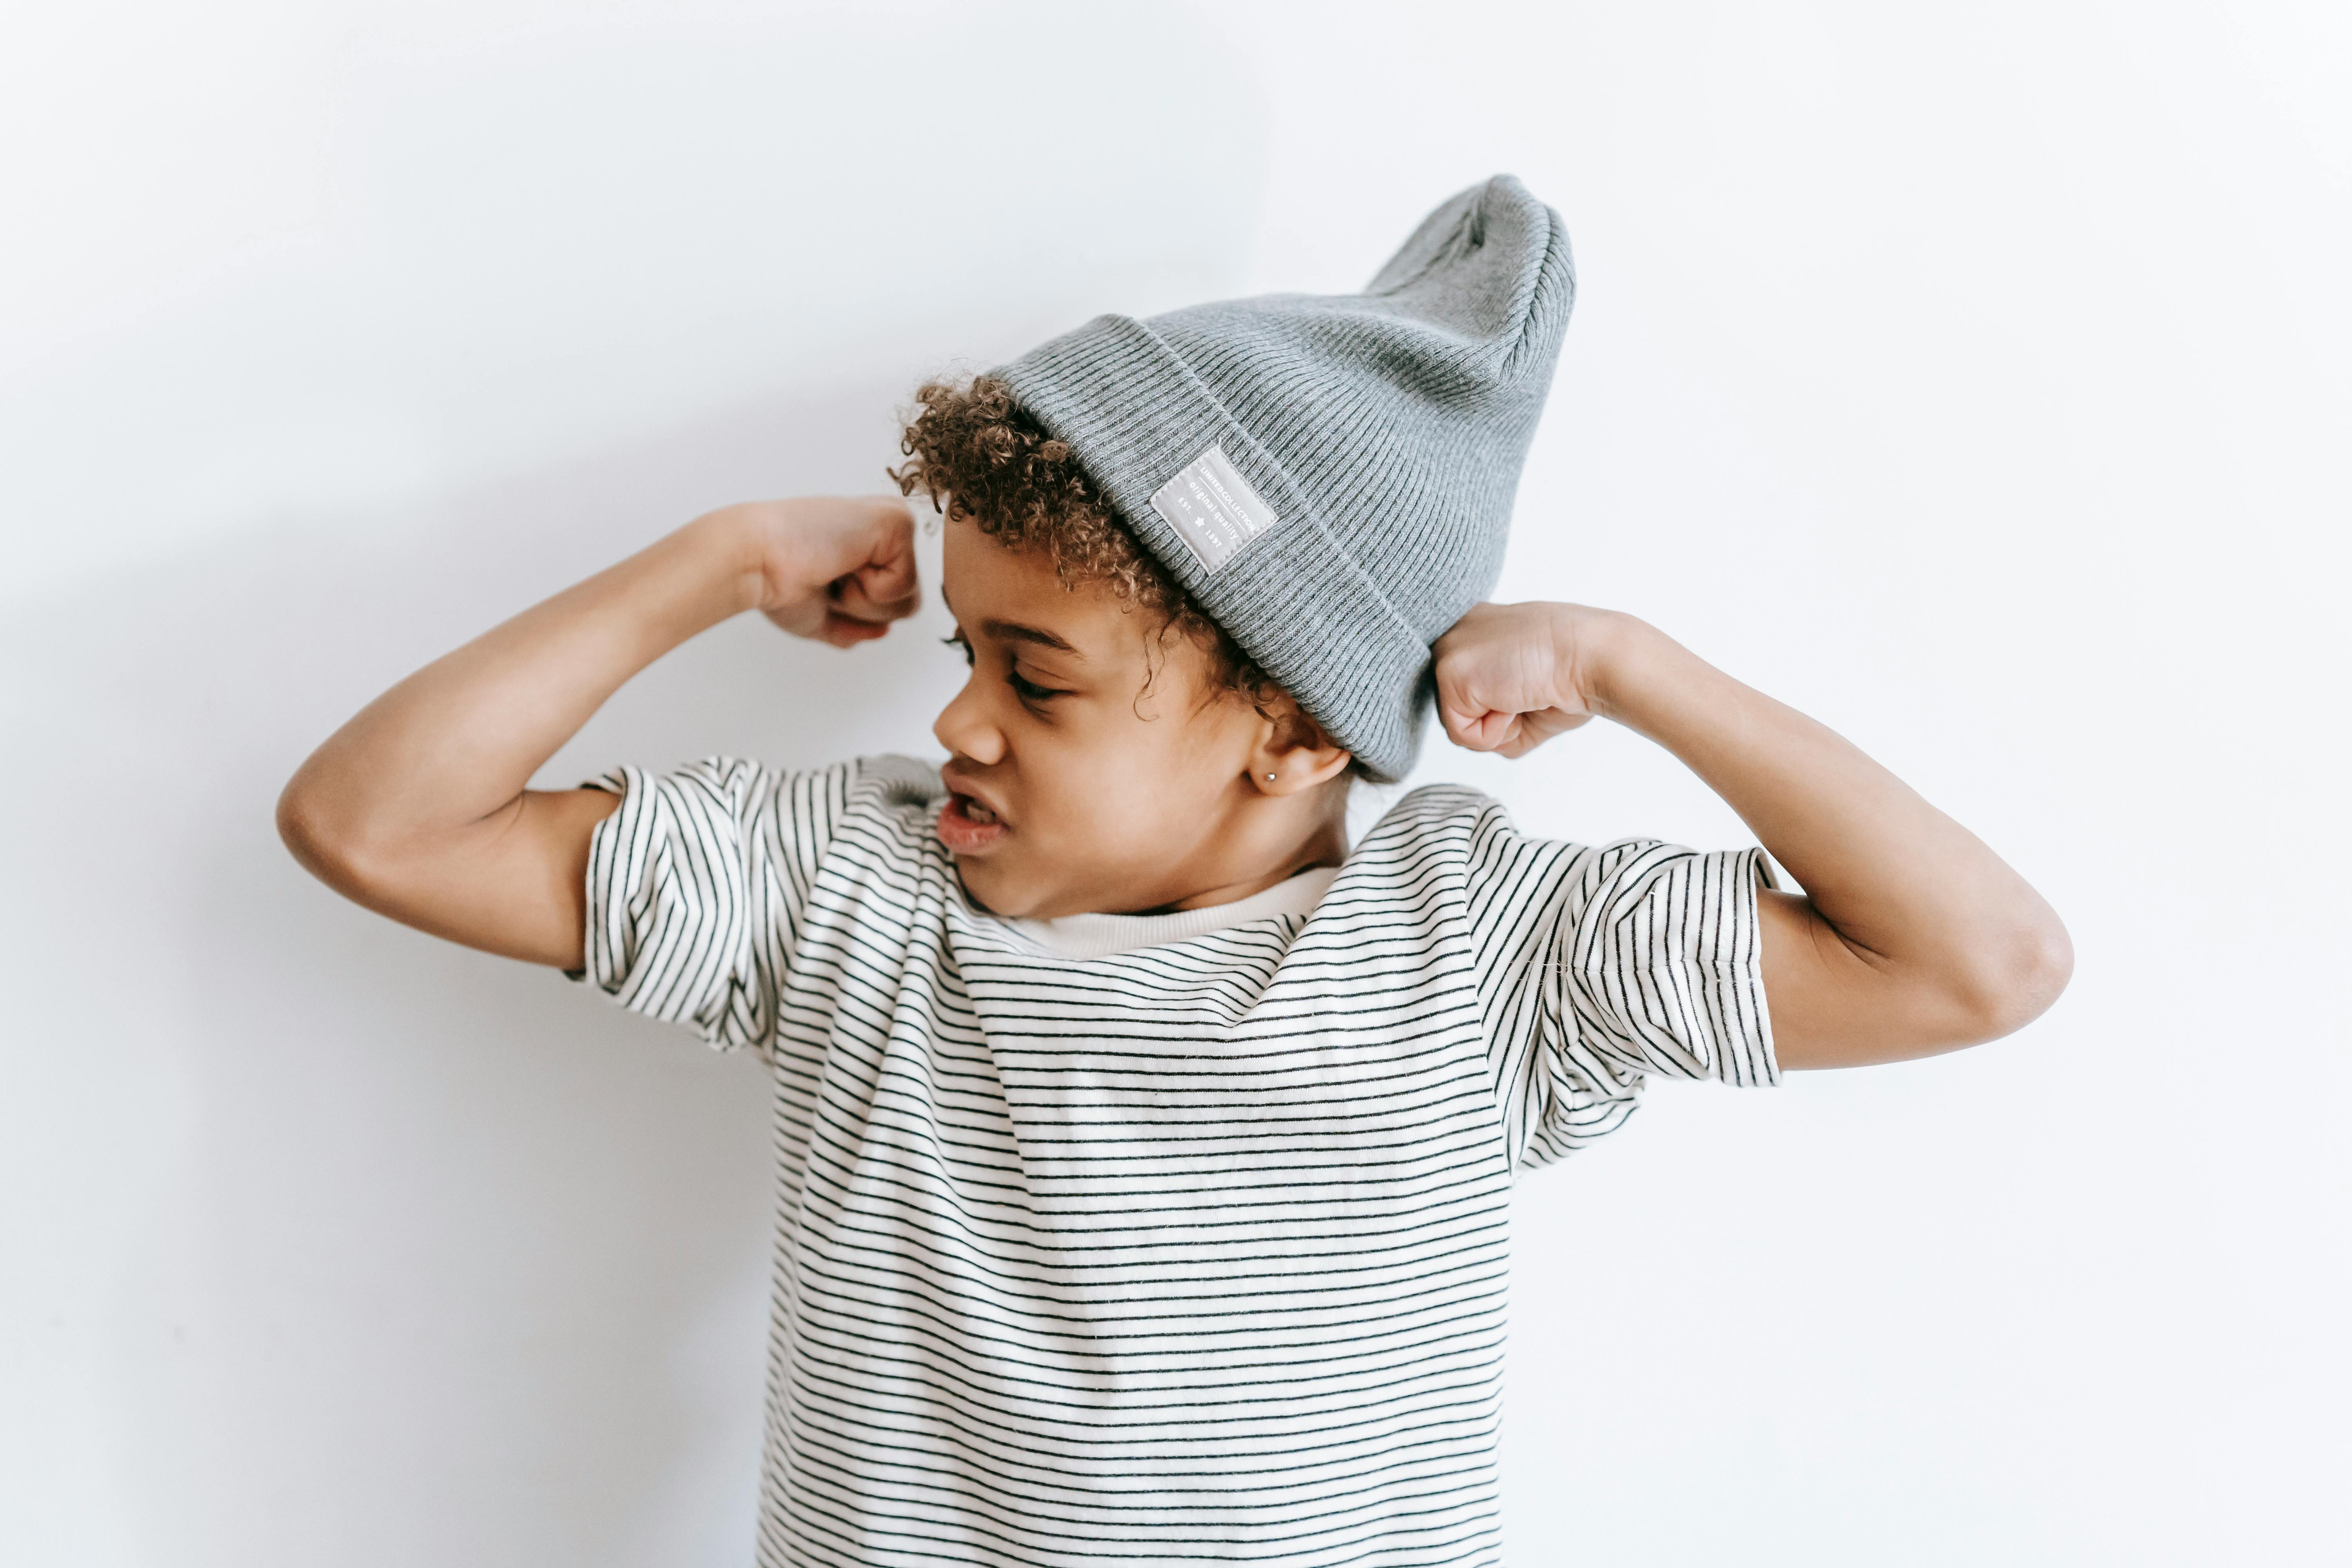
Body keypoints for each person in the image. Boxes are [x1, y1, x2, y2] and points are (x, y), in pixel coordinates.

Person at [278, 176, 2070, 1567]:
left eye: (1036, 678)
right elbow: (377, 822)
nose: (963, 718)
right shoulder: (849, 896)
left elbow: (1980, 963)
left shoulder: (1485, 947)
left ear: (1292, 734)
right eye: (966, 651)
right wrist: (711, 562)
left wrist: (1640, 670)